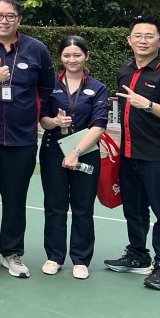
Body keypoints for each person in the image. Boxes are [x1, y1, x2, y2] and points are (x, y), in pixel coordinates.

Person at [0, 0, 54, 278]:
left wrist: (43, 119)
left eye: (10, 16)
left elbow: (46, 90)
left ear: (19, 19)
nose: (3, 21)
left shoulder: (37, 49)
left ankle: (12, 253)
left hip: (21, 140)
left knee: (16, 199)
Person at [104, 15, 160, 291]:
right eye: (137, 35)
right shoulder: (125, 70)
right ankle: (138, 255)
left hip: (158, 156)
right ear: (129, 40)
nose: (143, 40)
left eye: (149, 36)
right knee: (134, 209)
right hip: (129, 154)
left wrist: (148, 104)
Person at [38, 36, 108, 280]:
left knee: (82, 206)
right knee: (54, 206)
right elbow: (42, 118)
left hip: (85, 153)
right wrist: (55, 122)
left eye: (77, 55)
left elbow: (99, 125)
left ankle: (80, 259)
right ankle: (54, 256)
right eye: (67, 55)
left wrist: (76, 152)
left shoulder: (97, 87)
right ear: (60, 58)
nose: (72, 59)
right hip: (52, 151)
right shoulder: (50, 85)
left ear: (86, 56)